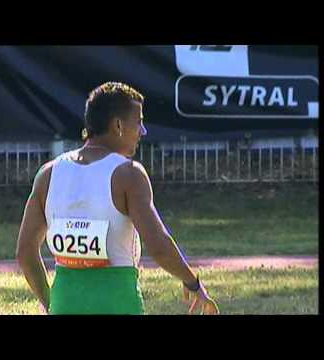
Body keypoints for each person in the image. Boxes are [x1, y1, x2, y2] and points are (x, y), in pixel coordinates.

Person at [16, 82, 219, 315]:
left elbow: (25, 251)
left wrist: (50, 302)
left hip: (65, 303)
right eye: (139, 122)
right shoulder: (128, 173)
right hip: (119, 303)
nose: (143, 131)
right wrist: (192, 282)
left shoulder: (48, 173)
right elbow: (158, 245)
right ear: (118, 126)